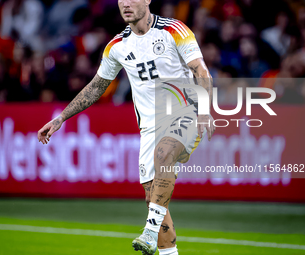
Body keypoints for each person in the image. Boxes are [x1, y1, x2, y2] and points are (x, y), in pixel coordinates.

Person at [37, 0, 215, 254]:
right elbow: (97, 87)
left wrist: (205, 110)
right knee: (152, 198)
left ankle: (149, 231)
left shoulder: (174, 29)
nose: (126, 4)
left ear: (147, 1)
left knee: (164, 154)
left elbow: (200, 69)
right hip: (149, 128)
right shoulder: (117, 46)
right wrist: (61, 118)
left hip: (185, 113)